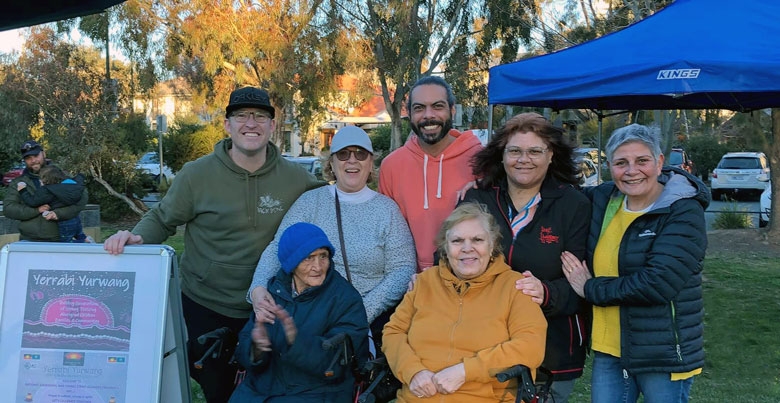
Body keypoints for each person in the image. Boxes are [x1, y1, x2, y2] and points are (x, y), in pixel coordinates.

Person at [103, 86, 323, 402]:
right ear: (227, 124)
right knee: (218, 388)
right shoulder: (196, 175)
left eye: (260, 116)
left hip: (270, 305)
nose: (251, 123)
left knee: (270, 388)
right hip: (206, 304)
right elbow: (164, 217)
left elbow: (328, 205)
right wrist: (137, 237)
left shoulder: (295, 177)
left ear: (272, 126)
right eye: (241, 116)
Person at [561, 124, 708, 403]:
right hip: (610, 351)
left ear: (660, 162)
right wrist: (482, 182)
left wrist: (590, 288)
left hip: (661, 355)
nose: (631, 170)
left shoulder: (682, 210)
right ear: (609, 166)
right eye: (621, 163)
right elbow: (555, 195)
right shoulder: (604, 200)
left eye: (642, 160)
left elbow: (658, 283)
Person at [249, 125, 416, 351]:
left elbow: (403, 269)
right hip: (311, 311)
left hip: (365, 315)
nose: (352, 161)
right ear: (331, 163)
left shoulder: (387, 210)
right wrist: (258, 288)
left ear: (370, 162)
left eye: (360, 154)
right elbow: (279, 247)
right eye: (344, 154)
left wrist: (360, 311)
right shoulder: (310, 202)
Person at [461, 112, 590, 402]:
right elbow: (448, 256)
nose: (524, 159)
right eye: (515, 151)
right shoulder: (477, 199)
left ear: (551, 155)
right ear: (501, 155)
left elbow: (581, 285)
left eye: (535, 151)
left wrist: (545, 292)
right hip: (481, 341)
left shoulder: (574, 206)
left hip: (552, 350)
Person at [382, 202, 547, 402]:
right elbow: (393, 332)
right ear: (445, 247)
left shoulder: (515, 287)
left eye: (477, 240)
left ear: (492, 244)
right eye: (457, 241)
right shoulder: (425, 282)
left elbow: (530, 346)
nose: (467, 249)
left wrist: (466, 371)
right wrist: (413, 371)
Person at [230, 222, 369, 402]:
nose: (318, 267)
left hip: (319, 392)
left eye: (323, 256)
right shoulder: (275, 290)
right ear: (291, 262)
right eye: (308, 258)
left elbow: (337, 365)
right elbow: (245, 356)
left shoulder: (345, 299)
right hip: (261, 389)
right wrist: (256, 348)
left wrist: (297, 341)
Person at [379, 76, 482, 272]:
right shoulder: (391, 166)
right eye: (419, 108)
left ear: (452, 110)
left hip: (470, 278)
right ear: (408, 113)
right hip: (410, 281)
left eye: (437, 106)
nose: (428, 115)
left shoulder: (481, 160)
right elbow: (387, 233)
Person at [4, 140, 88, 242]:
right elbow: (9, 209)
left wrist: (58, 213)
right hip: (29, 240)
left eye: (36, 156)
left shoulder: (59, 174)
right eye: (28, 158)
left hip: (60, 239)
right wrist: (37, 210)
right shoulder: (19, 182)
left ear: (43, 154)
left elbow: (82, 196)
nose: (33, 160)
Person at [17, 164, 90, 243]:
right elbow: (80, 179)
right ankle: (85, 239)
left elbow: (32, 202)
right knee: (79, 234)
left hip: (64, 222)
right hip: (75, 218)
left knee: (67, 244)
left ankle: (83, 243)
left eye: (41, 179)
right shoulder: (73, 183)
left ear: (47, 180)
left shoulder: (48, 190)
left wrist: (22, 190)